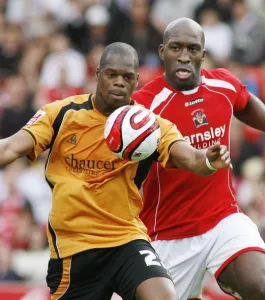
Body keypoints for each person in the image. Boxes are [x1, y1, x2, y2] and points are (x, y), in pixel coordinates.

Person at [0, 42, 232, 300]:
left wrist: (209, 159)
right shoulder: (61, 114)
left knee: (164, 296)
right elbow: (9, 148)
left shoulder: (149, 127)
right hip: (73, 249)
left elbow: (190, 158)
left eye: (127, 77)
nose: (119, 82)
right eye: (112, 75)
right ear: (97, 74)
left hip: (126, 239)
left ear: (136, 82)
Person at [132, 18, 265, 300]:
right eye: (176, 48)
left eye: (192, 48)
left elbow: (244, 103)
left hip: (222, 219)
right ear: (162, 52)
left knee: (260, 287)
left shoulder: (222, 83)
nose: (184, 56)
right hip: (168, 233)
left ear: (203, 54)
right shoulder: (144, 104)